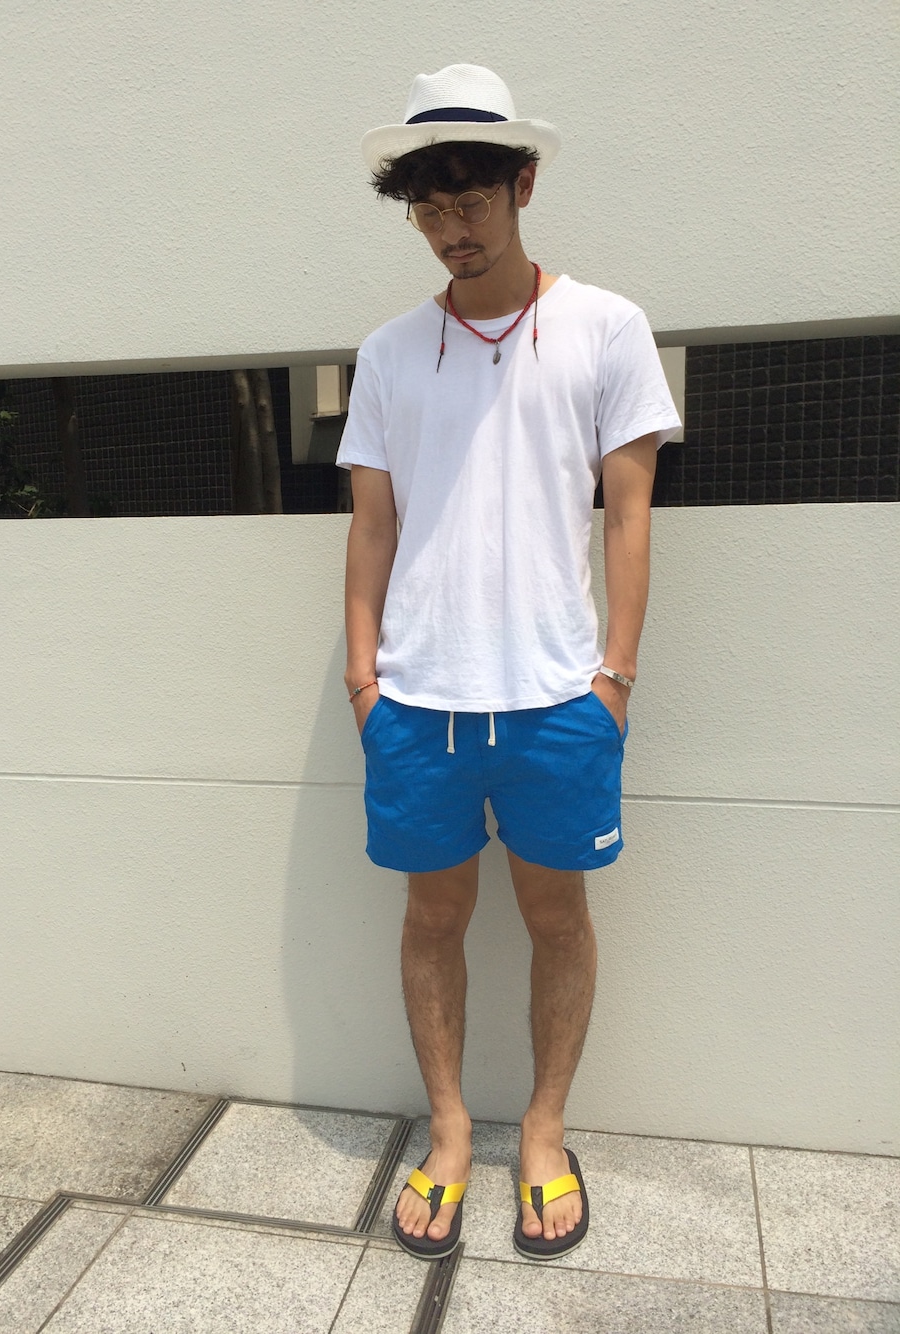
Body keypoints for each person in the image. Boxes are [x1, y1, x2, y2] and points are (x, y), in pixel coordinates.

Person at [337, 64, 680, 1261]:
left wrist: (614, 675)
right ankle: (446, 1130)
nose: (452, 226)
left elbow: (627, 513)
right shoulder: (390, 353)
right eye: (429, 206)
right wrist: (364, 678)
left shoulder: (605, 327)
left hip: (556, 695)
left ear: (522, 184)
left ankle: (542, 1129)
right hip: (417, 699)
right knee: (432, 916)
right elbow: (371, 525)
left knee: (557, 917)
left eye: (472, 197)